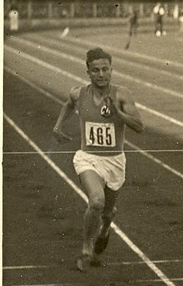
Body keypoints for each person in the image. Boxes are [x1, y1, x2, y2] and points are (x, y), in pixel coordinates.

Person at [52, 48, 145, 271]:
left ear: (111, 70)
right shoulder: (79, 93)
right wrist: (57, 126)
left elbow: (140, 126)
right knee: (96, 201)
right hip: (88, 159)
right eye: (96, 70)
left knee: (107, 210)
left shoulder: (122, 94)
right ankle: (86, 247)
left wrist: (118, 113)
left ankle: (105, 228)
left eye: (105, 69)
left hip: (114, 162)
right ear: (88, 72)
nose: (101, 74)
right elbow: (68, 104)